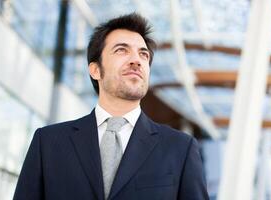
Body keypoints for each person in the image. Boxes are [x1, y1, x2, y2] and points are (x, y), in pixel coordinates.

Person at [13, 13, 209, 200]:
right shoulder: (47, 143)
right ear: (95, 70)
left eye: (144, 54)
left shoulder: (180, 149)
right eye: (121, 50)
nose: (136, 60)